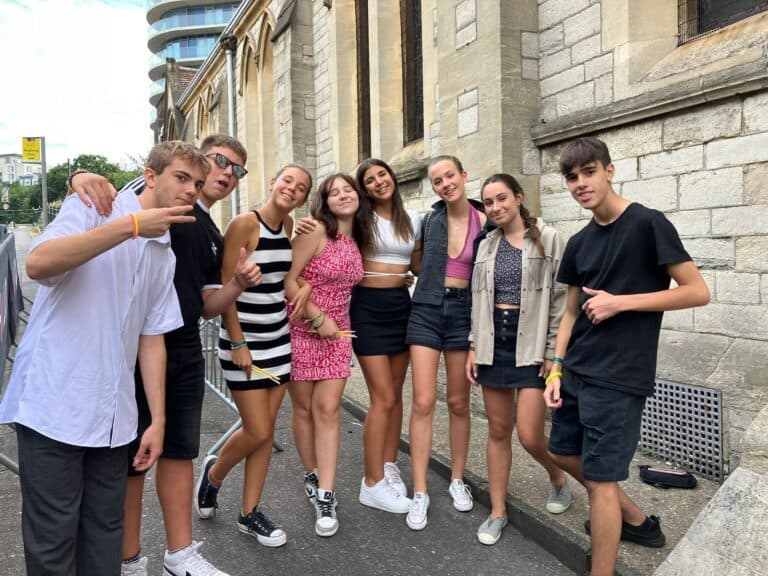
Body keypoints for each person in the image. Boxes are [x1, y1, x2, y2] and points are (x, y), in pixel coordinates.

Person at [0, 141, 204, 576]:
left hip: (114, 418)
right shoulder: (95, 205)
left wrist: (159, 420)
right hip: (55, 407)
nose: (191, 190)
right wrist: (129, 226)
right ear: (150, 175)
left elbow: (152, 336)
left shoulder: (164, 250)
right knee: (54, 545)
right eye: (181, 177)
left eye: (197, 183)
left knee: (105, 537)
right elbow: (39, 264)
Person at [70, 135, 259, 576]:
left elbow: (208, 303)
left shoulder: (211, 231)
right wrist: (76, 175)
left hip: (185, 347)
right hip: (134, 348)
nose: (227, 174)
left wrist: (238, 286)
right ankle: (129, 559)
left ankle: (181, 554)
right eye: (220, 162)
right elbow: (96, 194)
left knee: (178, 452)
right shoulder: (147, 196)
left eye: (237, 170)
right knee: (132, 460)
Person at [543, 137, 710, 576]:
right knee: (560, 453)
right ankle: (635, 520)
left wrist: (622, 302)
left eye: (589, 172)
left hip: (619, 376)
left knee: (601, 480)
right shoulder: (579, 242)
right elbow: (571, 312)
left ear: (610, 171)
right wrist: (555, 370)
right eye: (572, 177)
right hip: (575, 370)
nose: (581, 183)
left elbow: (697, 292)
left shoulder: (648, 224)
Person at [193, 164, 313, 548]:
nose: (291, 189)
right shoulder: (246, 224)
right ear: (272, 181)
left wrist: (305, 288)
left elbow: (284, 278)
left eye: (300, 188)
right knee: (257, 428)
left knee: (264, 434)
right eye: (287, 181)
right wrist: (238, 342)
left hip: (279, 341)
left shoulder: (290, 226)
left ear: (303, 198)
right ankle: (213, 477)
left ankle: (249, 513)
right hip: (244, 342)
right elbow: (227, 285)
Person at [295, 159, 420, 514]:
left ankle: (387, 468)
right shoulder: (346, 223)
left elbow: (412, 264)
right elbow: (301, 265)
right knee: (378, 398)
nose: (379, 182)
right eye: (368, 180)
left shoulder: (404, 221)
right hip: (360, 312)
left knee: (392, 397)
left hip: (396, 307)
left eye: (382, 174)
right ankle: (368, 480)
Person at [466, 173, 571, 546]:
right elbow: (477, 299)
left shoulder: (549, 238)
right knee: (497, 431)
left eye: (501, 198)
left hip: (531, 346)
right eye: (488, 202)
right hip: (495, 345)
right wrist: (474, 345)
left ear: (518, 197)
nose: (495, 208)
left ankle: (557, 476)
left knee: (529, 435)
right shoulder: (487, 244)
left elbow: (562, 300)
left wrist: (551, 354)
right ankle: (497, 511)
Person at [284, 173, 371, 537]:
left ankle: (326, 492)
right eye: (333, 192)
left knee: (329, 409)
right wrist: (317, 317)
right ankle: (311, 474)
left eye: (348, 188)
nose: (342, 195)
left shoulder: (358, 237)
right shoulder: (314, 230)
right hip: (302, 329)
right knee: (303, 409)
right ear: (324, 201)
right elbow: (287, 279)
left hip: (339, 335)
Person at [405, 155, 487, 530]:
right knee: (423, 401)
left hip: (463, 314)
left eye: (450, 175)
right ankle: (419, 490)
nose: (445, 184)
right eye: (438, 180)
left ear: (463, 175)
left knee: (458, 402)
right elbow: (416, 265)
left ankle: (456, 479)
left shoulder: (485, 220)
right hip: (425, 310)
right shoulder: (428, 220)